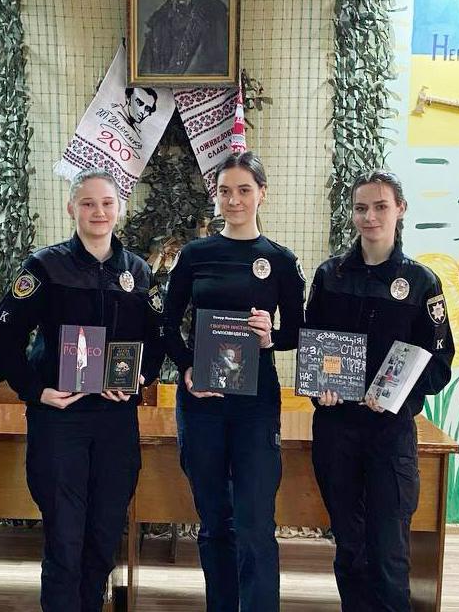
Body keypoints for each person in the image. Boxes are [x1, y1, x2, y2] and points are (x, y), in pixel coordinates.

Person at [0, 167, 164, 612]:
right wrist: (36, 391)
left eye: (107, 203)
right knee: (65, 540)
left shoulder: (138, 271)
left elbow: (156, 338)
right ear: (71, 208)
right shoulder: (43, 266)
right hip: (59, 420)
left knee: (104, 537)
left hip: (115, 422)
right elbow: (5, 336)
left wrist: (138, 380)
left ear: (120, 208)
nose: (98, 212)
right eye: (88, 203)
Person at [161, 151, 306, 612]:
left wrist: (269, 337)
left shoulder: (280, 260)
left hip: (255, 405)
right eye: (225, 191)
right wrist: (187, 368)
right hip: (201, 402)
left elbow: (299, 332)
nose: (234, 200)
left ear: (263, 194)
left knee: (255, 522)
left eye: (244, 190)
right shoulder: (195, 255)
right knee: (214, 523)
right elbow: (166, 325)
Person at [306, 170, 454, 612]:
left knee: (389, 552)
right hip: (336, 430)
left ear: (400, 210)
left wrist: (398, 394)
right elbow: (314, 349)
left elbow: (440, 364)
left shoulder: (423, 283)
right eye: (361, 208)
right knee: (350, 548)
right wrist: (320, 390)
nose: (370, 216)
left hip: (390, 435)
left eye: (381, 206)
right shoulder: (330, 275)